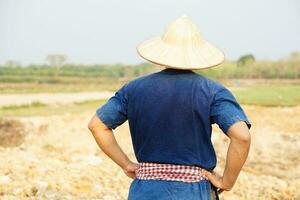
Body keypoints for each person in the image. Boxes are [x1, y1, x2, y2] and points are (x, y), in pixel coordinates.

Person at [88, 15, 251, 200]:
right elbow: (242, 137)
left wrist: (126, 164)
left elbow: (97, 125)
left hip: (145, 191)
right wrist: (226, 182)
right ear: (197, 54)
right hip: (193, 192)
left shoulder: (133, 89)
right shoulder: (213, 91)